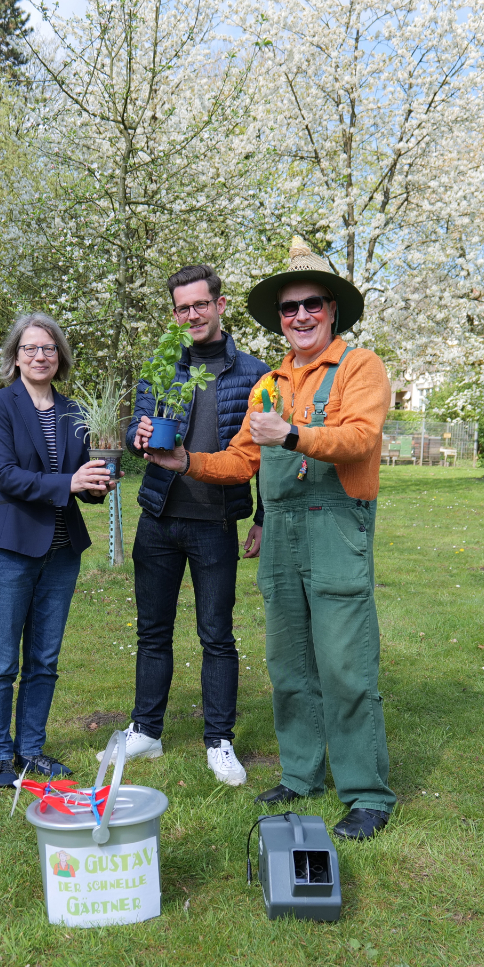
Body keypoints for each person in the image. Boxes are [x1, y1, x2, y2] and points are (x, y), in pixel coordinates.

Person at [138, 239, 394, 840]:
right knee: (288, 664)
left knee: (345, 666)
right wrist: (185, 462)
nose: (300, 316)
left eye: (311, 305)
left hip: (336, 533)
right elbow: (240, 460)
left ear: (332, 310)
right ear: (279, 318)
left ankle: (366, 793)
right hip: (280, 537)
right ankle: (301, 775)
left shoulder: (360, 367)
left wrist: (294, 434)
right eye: (289, 308)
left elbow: (360, 438)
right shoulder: (269, 385)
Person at [112, 264, 270, 787]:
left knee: (216, 635)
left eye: (201, 304)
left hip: (215, 523)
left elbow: (265, 455)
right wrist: (138, 436)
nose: (193, 315)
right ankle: (146, 729)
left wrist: (262, 518)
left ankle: (219, 740)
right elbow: (136, 431)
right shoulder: (161, 367)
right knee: (152, 631)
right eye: (183, 308)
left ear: (220, 305)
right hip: (159, 518)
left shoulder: (255, 374)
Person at [0, 313, 115, 789]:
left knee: (44, 660)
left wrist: (96, 484)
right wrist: (69, 482)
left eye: (49, 348)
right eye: (30, 348)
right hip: (8, 550)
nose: (40, 356)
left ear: (60, 357)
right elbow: (5, 475)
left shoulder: (75, 412)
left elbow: (81, 485)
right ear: (15, 357)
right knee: (1, 662)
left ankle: (30, 750)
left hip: (61, 553)